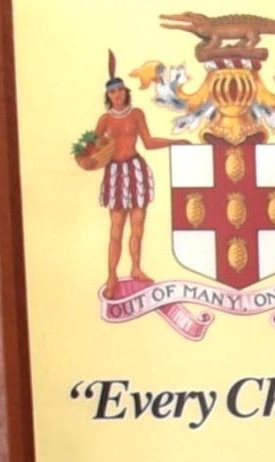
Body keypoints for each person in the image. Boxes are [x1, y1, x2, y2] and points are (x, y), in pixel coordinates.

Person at [96, 71, 177, 296]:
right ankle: (112, 275)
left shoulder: (137, 114)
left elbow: (149, 142)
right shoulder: (105, 120)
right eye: (112, 92)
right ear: (108, 96)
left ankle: (136, 268)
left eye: (120, 90)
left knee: (138, 226)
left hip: (135, 170)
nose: (117, 95)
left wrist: (175, 142)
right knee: (116, 228)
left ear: (125, 91)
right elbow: (94, 148)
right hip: (115, 174)